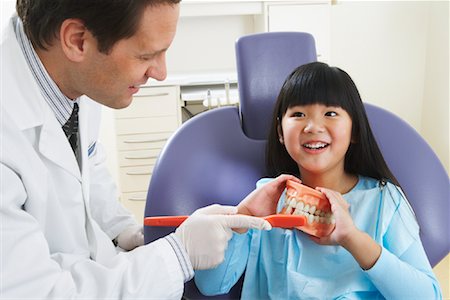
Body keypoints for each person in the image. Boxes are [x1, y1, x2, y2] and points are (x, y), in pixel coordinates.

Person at [0, 0, 299, 298]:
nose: (160, 72)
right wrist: (179, 254)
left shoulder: (72, 81)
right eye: (147, 55)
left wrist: (122, 230)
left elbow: (88, 170)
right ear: (77, 41)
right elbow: (36, 291)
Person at [195, 62, 443, 299]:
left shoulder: (383, 199)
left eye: (331, 113)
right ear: (281, 132)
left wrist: (354, 240)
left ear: (354, 130)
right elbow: (210, 286)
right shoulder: (265, 200)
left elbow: (429, 296)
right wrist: (243, 216)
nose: (313, 126)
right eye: (299, 114)